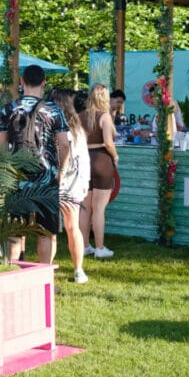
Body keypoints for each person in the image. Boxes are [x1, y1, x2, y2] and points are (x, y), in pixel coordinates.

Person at [0, 64, 69, 264]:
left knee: (15, 232)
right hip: (46, 177)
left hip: (17, 177)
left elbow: (1, 146)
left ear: (22, 81)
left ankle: (12, 274)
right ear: (44, 83)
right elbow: (64, 144)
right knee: (45, 232)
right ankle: (45, 277)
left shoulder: (8, 109)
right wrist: (61, 169)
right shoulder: (53, 110)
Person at [49, 88, 90, 283]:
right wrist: (85, 182)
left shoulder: (52, 127)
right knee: (73, 227)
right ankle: (78, 270)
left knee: (50, 230)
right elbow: (84, 158)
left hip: (54, 181)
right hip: (74, 183)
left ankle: (47, 271)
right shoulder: (77, 129)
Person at [80, 84, 119, 260]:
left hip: (84, 160)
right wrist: (115, 157)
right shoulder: (105, 116)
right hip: (101, 160)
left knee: (85, 208)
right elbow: (108, 142)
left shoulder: (80, 116)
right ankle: (100, 247)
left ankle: (84, 246)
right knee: (99, 208)